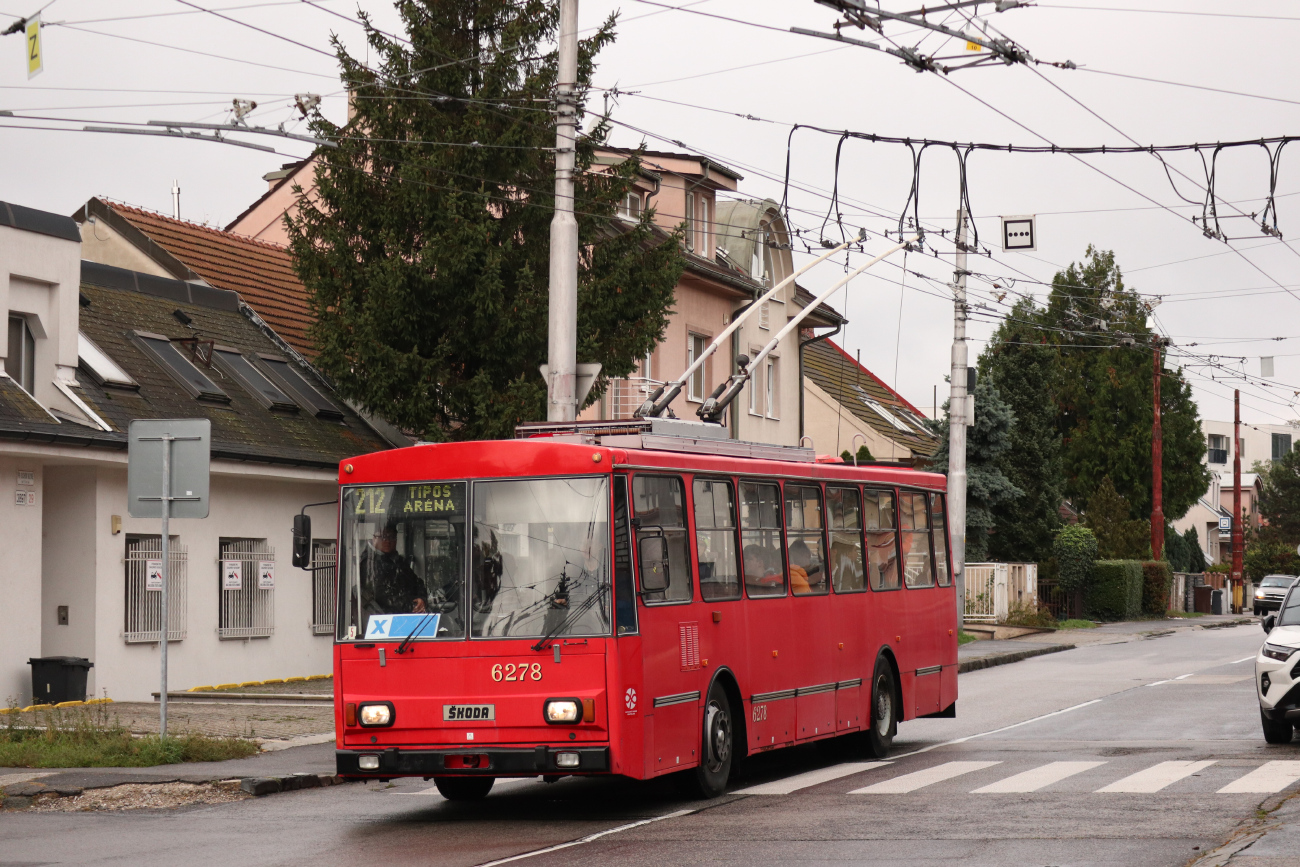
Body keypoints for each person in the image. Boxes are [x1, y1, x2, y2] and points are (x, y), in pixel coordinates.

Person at [360, 522, 427, 615]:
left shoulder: (399, 562)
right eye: (383, 537)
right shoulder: (368, 563)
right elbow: (381, 595)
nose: (388, 541)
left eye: (392, 537)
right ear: (374, 538)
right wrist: (412, 606)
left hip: (405, 616)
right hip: (382, 618)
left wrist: (421, 599)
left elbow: (417, 583)